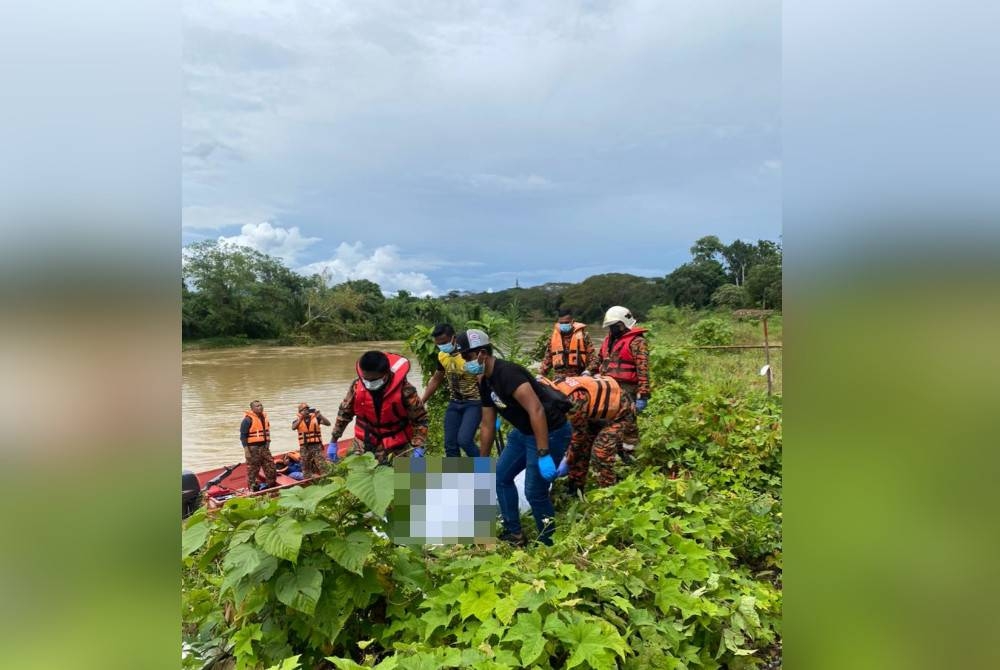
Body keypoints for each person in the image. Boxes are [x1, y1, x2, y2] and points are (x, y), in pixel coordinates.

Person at [456, 328, 572, 547]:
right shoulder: (485, 381)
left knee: (534, 492)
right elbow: (488, 423)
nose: (465, 362)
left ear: (481, 353)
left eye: (467, 357)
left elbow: (536, 409)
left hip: (550, 431)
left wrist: (543, 452)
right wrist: (482, 462)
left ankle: (548, 542)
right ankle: (515, 534)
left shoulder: (508, 374)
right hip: (523, 433)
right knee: (499, 477)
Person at [329, 350, 428, 465]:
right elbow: (344, 413)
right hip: (363, 445)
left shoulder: (406, 391)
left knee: (401, 481)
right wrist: (333, 441)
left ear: (386, 374)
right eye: (365, 379)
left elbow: (420, 420)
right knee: (363, 479)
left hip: (397, 448)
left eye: (373, 380)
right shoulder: (357, 386)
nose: (369, 384)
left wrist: (419, 446)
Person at [538, 375, 635, 491]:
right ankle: (575, 487)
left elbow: (579, 436)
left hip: (620, 412)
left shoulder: (572, 402)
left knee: (601, 451)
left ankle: (609, 491)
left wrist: (567, 460)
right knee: (582, 449)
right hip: (596, 413)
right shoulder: (553, 390)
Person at [587, 306, 650, 457]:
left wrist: (643, 394)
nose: (612, 329)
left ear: (623, 324)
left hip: (627, 387)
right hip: (607, 386)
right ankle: (611, 450)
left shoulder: (637, 342)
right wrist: (588, 371)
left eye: (614, 326)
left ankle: (630, 454)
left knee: (628, 421)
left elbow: (643, 369)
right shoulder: (609, 339)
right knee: (607, 419)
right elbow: (599, 358)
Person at [419, 323, 482, 457]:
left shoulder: (468, 354)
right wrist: (421, 401)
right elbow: (436, 379)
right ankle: (455, 477)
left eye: (444, 342)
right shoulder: (442, 356)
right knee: (450, 444)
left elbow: (483, 378)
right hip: (454, 403)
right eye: (438, 344)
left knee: (464, 441)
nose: (441, 346)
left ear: (454, 338)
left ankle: (485, 472)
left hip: (474, 403)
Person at [539, 307, 595, 379]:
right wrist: (541, 374)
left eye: (566, 322)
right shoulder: (553, 338)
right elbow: (548, 359)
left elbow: (593, 359)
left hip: (579, 377)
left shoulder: (583, 336)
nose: (564, 325)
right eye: (561, 323)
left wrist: (588, 372)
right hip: (559, 378)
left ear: (572, 321)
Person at [239, 400, 277, 490]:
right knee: (253, 470)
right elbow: (242, 436)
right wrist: (246, 450)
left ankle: (271, 486)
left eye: (261, 405)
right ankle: (252, 489)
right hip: (253, 449)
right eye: (257, 406)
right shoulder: (247, 420)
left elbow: (267, 432)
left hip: (264, 447)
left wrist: (268, 443)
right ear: (252, 409)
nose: (260, 407)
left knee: (271, 467)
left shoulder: (264, 418)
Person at [292, 402, 331, 478]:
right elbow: (293, 427)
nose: (306, 411)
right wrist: (300, 419)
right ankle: (311, 479)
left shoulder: (316, 418)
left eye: (307, 409)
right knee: (305, 468)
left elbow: (328, 423)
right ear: (300, 412)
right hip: (305, 447)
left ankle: (327, 478)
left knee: (322, 465)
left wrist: (320, 416)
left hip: (316, 446)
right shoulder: (297, 421)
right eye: (304, 410)